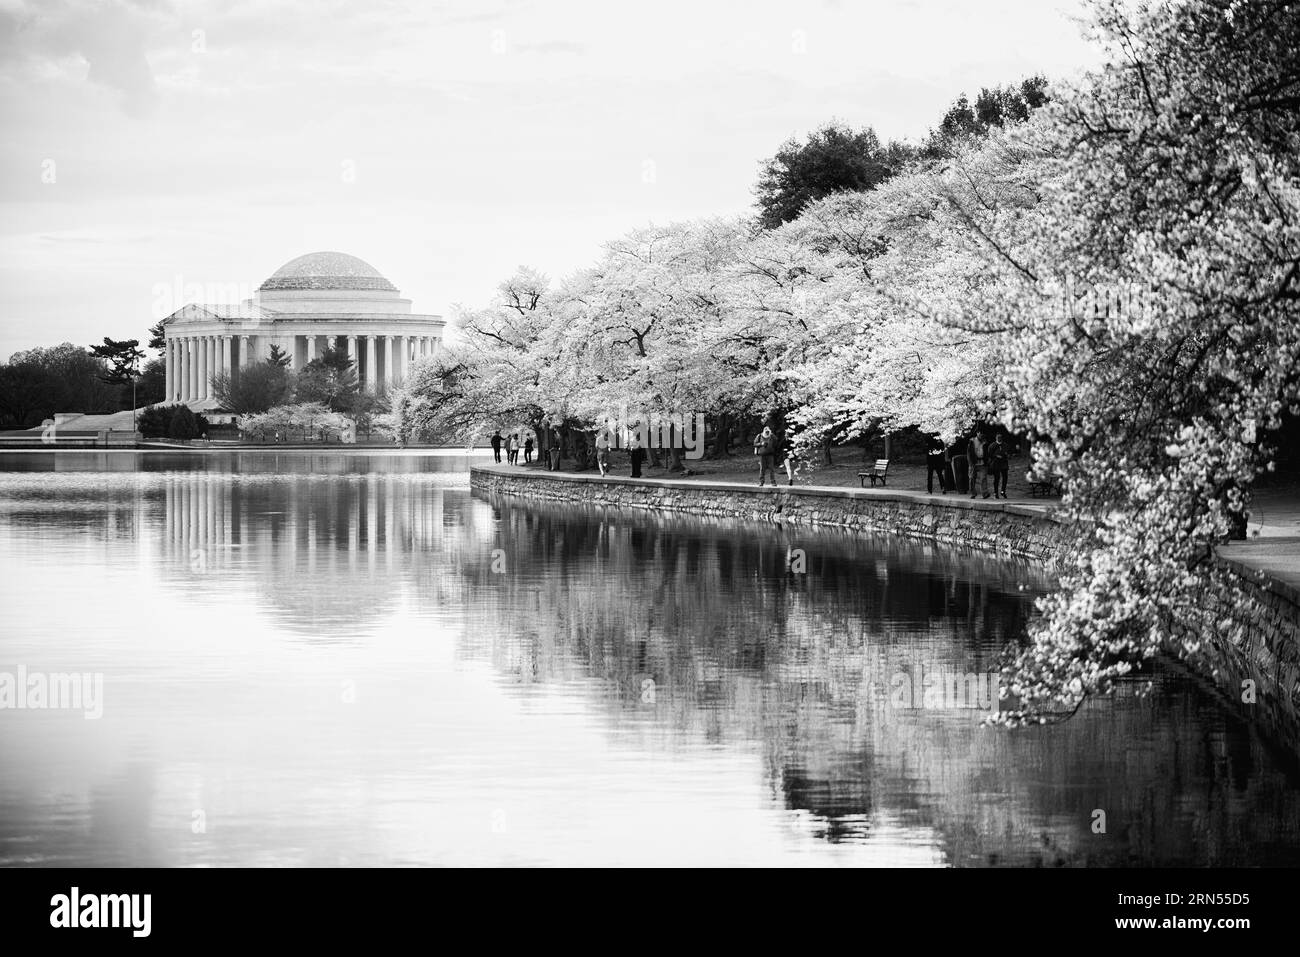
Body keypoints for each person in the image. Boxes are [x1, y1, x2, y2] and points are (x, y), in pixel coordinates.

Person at [967, 430, 989, 500]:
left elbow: (986, 452)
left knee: (983, 478)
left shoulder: (985, 442)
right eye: (980, 433)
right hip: (973, 463)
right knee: (972, 478)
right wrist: (970, 462)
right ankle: (973, 493)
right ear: (977, 433)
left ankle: (984, 493)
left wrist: (986, 460)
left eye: (982, 433)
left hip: (982, 463)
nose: (981, 435)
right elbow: (969, 453)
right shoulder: (972, 441)